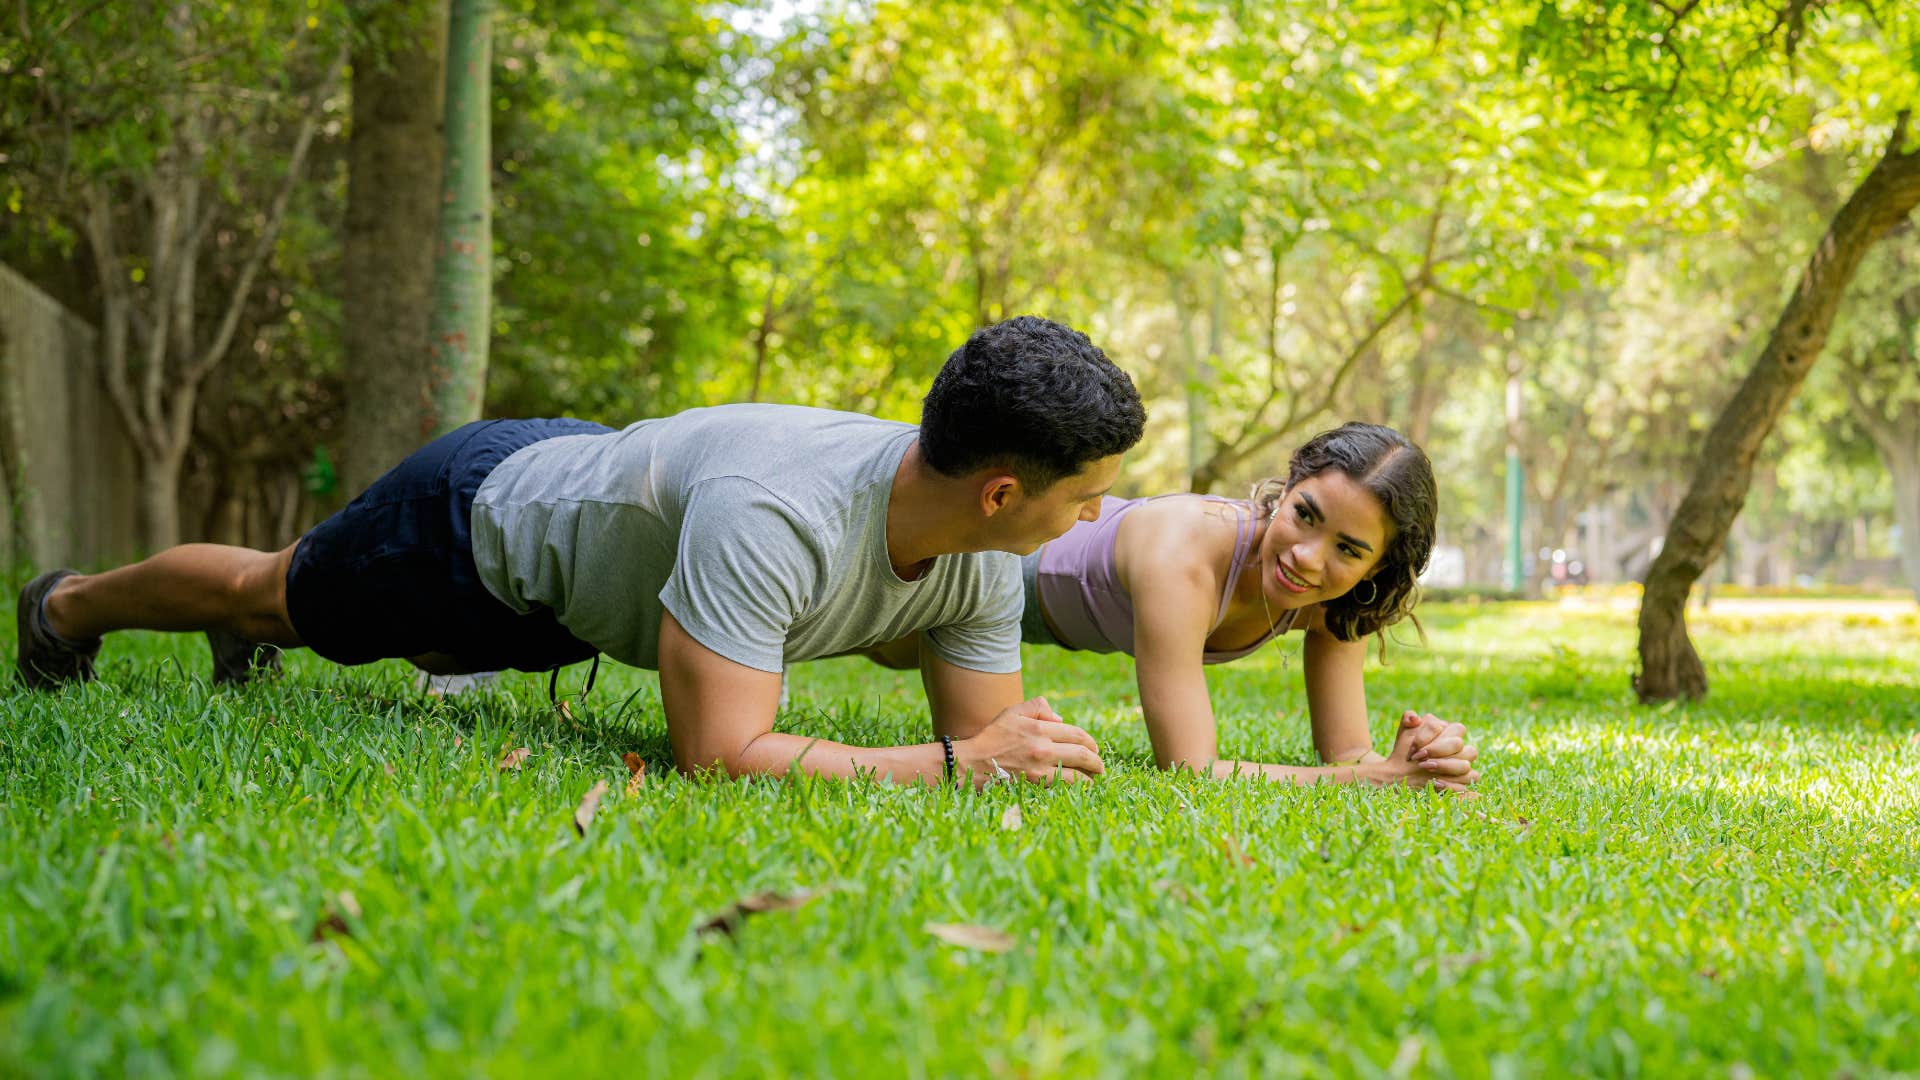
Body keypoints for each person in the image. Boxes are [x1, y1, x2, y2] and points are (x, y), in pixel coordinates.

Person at [16, 316, 1147, 789]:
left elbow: (986, 733)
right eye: (1088, 498)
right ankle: (65, 606)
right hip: (481, 520)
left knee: (341, 626)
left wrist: (995, 752)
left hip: (591, 531)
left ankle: (219, 633)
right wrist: (952, 766)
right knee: (271, 592)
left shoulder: (980, 549)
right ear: (1003, 492)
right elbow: (720, 752)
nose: (1096, 518)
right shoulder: (776, 512)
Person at [859, 422, 1480, 792]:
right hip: (992, 559)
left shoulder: (1337, 602)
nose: (1307, 557)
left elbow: (1346, 754)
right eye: (1304, 515)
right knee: (858, 630)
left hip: (1015, 623)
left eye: (1348, 549)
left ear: (1378, 568)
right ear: (1288, 487)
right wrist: (1378, 778)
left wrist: (1419, 760)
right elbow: (1190, 770)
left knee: (879, 645)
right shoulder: (1186, 553)